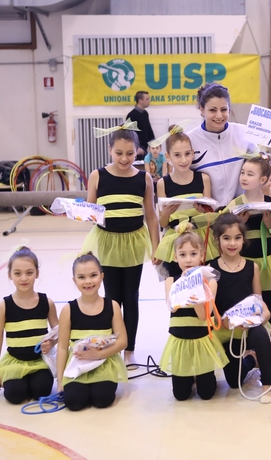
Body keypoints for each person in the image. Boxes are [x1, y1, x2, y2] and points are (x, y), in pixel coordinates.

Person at [83, 126, 160, 363]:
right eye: (119, 153)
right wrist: (77, 211)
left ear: (137, 152)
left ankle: (129, 350)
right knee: (112, 297)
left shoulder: (143, 178)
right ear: (110, 150)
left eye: (130, 153)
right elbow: (90, 212)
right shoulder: (97, 176)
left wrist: (156, 247)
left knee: (131, 297)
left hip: (133, 243)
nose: (124, 159)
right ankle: (113, 347)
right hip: (107, 242)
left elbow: (151, 216)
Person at [188, 83, 271, 208]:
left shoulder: (242, 133)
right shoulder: (190, 140)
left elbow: (263, 170)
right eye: (212, 110)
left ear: (229, 109)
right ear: (202, 110)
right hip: (207, 215)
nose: (219, 115)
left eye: (224, 109)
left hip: (242, 212)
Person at [209, 213, 271, 403]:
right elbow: (210, 307)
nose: (232, 243)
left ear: (243, 239)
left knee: (261, 334)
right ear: (217, 239)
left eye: (237, 238)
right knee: (233, 381)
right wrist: (222, 321)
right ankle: (251, 360)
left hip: (247, 325)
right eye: (226, 238)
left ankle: (267, 385)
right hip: (225, 328)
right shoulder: (211, 269)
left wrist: (264, 315)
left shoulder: (252, 267)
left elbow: (258, 300)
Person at [159, 227, 229, 401]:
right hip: (180, 340)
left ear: (202, 255)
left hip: (201, 340)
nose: (188, 259)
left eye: (193, 254)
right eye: (182, 255)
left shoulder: (210, 282)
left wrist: (195, 285)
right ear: (175, 257)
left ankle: (203, 376)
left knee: (206, 394)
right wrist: (184, 282)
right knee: (180, 395)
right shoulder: (170, 281)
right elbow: (173, 307)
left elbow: (203, 316)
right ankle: (189, 377)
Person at [56, 254, 128, 411]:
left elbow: (123, 341)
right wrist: (60, 381)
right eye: (82, 277)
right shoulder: (68, 310)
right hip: (77, 364)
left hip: (103, 363)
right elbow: (62, 347)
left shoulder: (112, 306)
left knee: (102, 400)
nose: (88, 281)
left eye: (93, 275)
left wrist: (98, 354)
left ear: (102, 277)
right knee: (74, 403)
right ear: (74, 280)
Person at [0, 247, 58, 404]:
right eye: (17, 273)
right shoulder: (3, 306)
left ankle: (33, 380)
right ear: (10, 275)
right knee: (15, 395)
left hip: (39, 362)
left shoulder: (46, 302)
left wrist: (51, 343)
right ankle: (20, 383)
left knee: (41, 391)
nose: (24, 278)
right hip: (15, 362)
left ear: (37, 273)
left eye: (29, 273)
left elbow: (60, 332)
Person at [227, 154, 271, 341]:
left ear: (263, 179)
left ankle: (268, 346)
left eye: (250, 174)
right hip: (244, 263)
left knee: (267, 306)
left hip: (266, 263)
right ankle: (247, 347)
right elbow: (227, 236)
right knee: (244, 305)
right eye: (242, 173)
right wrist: (238, 224)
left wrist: (269, 224)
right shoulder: (235, 204)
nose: (244, 177)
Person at [154, 125, 213, 278]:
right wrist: (166, 213)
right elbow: (163, 223)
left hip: (199, 238)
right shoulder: (163, 184)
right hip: (176, 238)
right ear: (168, 157)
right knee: (177, 282)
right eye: (177, 155)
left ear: (193, 153)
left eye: (187, 154)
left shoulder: (203, 179)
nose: (184, 160)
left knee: (202, 282)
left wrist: (204, 211)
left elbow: (210, 217)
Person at [126, 91, 156, 159]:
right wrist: (136, 147)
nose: (149, 101)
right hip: (137, 150)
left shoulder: (145, 113)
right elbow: (129, 134)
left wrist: (154, 142)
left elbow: (148, 129)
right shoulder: (132, 115)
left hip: (144, 148)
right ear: (140, 100)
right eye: (147, 99)